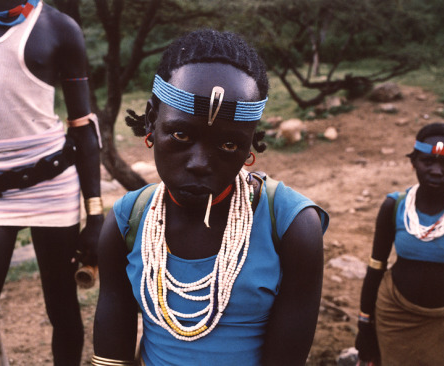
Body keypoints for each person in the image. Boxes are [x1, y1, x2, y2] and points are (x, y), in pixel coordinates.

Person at [92, 29, 329, 366]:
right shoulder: (127, 220)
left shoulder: (292, 227)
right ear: (151, 122)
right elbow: (111, 352)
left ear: (251, 145)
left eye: (229, 144)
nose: (200, 163)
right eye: (181, 134)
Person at [0, 0, 103, 365]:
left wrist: (95, 217)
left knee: (62, 307)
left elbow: (83, 127)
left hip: (51, 186)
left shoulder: (59, 28)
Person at [355, 122, 444, 366]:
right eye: (427, 161)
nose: (436, 171)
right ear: (413, 162)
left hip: (442, 322)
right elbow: (376, 268)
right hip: (393, 317)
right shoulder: (394, 206)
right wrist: (365, 323)